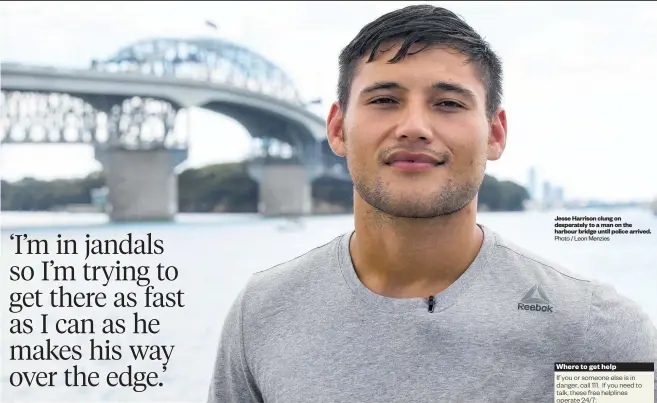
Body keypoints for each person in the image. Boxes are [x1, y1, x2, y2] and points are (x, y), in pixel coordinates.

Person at [208, 5, 657, 402]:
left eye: (447, 102)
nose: (415, 127)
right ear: (338, 129)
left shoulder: (592, 330)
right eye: (385, 100)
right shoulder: (264, 312)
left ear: (495, 134)